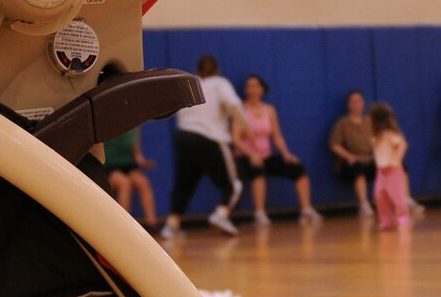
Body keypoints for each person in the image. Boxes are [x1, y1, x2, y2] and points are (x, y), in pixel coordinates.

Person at [162, 54, 246, 238]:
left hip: (184, 137)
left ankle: (171, 225)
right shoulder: (220, 83)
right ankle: (221, 214)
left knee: (184, 184)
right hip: (209, 138)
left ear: (197, 69)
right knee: (234, 182)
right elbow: (234, 104)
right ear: (217, 70)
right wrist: (247, 128)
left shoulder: (189, 84)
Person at [234, 75, 321, 224]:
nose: (252, 89)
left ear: (262, 89)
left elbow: (277, 136)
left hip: (267, 156)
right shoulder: (240, 110)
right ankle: (259, 213)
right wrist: (252, 154)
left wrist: (286, 153)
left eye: (255, 86)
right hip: (246, 157)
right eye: (249, 86)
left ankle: (306, 209)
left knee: (297, 168)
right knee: (258, 171)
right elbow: (235, 139)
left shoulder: (269, 110)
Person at [328, 90, 378, 218]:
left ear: (363, 103)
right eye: (353, 101)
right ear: (348, 104)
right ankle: (364, 205)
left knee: (397, 166)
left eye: (359, 101)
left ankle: (404, 199)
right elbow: (334, 145)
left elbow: (378, 141)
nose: (356, 104)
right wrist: (349, 156)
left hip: (370, 159)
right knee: (358, 168)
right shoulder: (342, 123)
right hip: (351, 162)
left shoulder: (370, 121)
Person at [102, 126, 156, 231]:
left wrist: (144, 163)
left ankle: (151, 223)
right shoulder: (105, 128)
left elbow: (136, 153)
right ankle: (123, 225)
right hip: (109, 167)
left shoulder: (134, 129)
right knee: (124, 184)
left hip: (127, 166)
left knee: (143, 182)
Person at [368, 101, 411, 230]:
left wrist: (396, 160)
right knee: (380, 196)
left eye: (370, 116)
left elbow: (402, 145)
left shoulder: (390, 134)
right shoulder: (375, 137)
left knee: (397, 196)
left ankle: (402, 218)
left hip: (393, 170)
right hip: (381, 171)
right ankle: (387, 220)